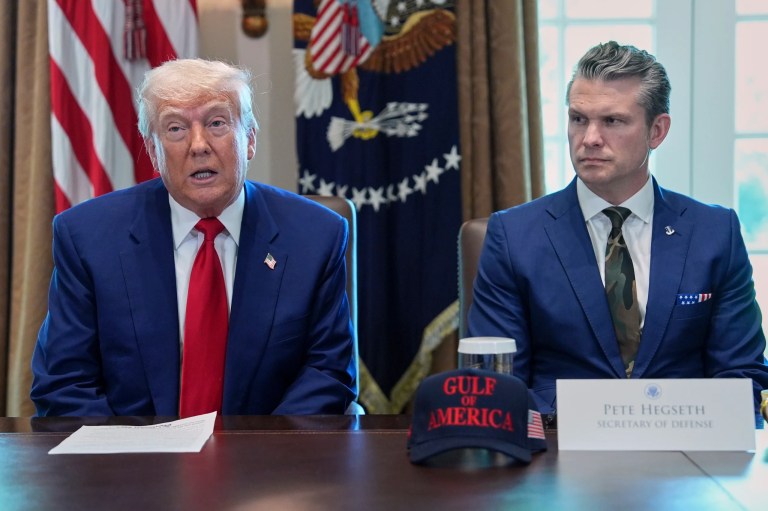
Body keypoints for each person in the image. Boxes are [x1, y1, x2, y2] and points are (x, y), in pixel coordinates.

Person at [31, 59, 357, 416]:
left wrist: (261, 458)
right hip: (134, 462)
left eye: (217, 123)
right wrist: (128, 463)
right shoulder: (87, 238)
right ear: (153, 151)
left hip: (264, 461)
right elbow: (64, 382)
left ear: (249, 139)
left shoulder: (315, 236)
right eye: (175, 129)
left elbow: (328, 374)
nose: (198, 145)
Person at [467, 41, 768, 421]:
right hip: (557, 456)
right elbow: (496, 387)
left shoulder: (714, 234)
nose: (590, 138)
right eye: (579, 119)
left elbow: (742, 378)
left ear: (656, 131)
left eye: (612, 121)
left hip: (684, 458)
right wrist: (594, 420)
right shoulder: (513, 236)